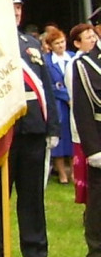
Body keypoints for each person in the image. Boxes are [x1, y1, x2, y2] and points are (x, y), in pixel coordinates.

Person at [0, 0, 58, 257]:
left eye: (19, 8)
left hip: (32, 129)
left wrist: (52, 127)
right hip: (0, 129)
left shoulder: (30, 44)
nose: (16, 13)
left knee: (32, 196)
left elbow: (45, 87)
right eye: (11, 8)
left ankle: (36, 253)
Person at [71, 33, 101, 257]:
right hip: (99, 136)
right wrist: (93, 149)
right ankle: (97, 252)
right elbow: (82, 110)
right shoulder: (85, 64)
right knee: (98, 199)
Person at [42, 26, 74, 183]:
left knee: (73, 137)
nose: (61, 46)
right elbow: (50, 85)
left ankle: (74, 171)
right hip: (58, 105)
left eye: (62, 42)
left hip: (74, 104)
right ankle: (62, 173)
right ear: (50, 46)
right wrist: (66, 96)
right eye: (57, 43)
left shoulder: (73, 57)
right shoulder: (47, 61)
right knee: (60, 140)